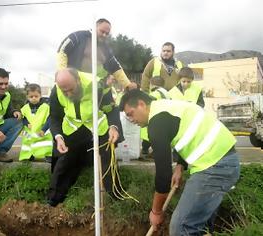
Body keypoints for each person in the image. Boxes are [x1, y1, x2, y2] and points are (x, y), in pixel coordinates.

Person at [120, 89, 240, 235]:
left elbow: (163, 176)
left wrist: (156, 211)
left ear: (141, 104)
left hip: (215, 166)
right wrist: (180, 166)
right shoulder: (166, 107)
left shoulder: (156, 123)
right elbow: (189, 130)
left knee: (181, 227)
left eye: (130, 114)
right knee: (201, 227)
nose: (131, 120)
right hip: (222, 160)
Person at [47, 68, 123, 206]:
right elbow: (54, 116)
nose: (68, 93)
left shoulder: (97, 85)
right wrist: (58, 137)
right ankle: (54, 200)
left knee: (107, 159)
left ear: (78, 80)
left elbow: (111, 109)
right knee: (64, 160)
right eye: (65, 91)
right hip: (73, 130)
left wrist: (113, 127)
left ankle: (116, 196)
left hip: (98, 128)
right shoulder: (56, 91)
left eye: (71, 89)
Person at [56, 18, 137, 91]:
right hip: (69, 83)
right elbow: (62, 50)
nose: (104, 35)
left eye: (107, 33)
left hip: (90, 88)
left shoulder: (106, 49)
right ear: (95, 27)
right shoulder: (77, 36)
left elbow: (116, 67)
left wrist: (127, 84)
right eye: (102, 31)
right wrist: (62, 74)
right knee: (55, 98)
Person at [19, 83, 53, 161]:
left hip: (42, 129)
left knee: (45, 143)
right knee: (28, 143)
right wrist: (26, 123)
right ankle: (28, 156)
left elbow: (49, 119)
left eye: (36, 96)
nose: (34, 98)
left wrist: (44, 130)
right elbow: (23, 118)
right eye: (31, 97)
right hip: (30, 131)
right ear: (27, 97)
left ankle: (48, 155)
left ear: (40, 96)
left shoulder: (46, 107)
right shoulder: (25, 108)